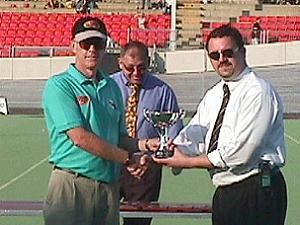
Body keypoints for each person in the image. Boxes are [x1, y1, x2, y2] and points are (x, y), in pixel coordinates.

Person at [153, 25, 287, 225]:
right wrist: (170, 148)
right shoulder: (215, 94)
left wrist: (187, 162)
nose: (221, 59)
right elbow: (196, 133)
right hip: (226, 192)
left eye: (227, 52)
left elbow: (242, 153)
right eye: (214, 55)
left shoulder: (258, 92)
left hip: (257, 191)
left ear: (242, 51)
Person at [42, 16, 159, 225]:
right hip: (72, 186)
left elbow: (120, 136)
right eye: (86, 43)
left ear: (105, 47)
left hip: (107, 187)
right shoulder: (60, 85)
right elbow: (80, 137)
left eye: (98, 43)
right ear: (73, 46)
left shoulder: (111, 87)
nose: (92, 50)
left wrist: (144, 146)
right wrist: (127, 158)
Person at [111, 41, 183, 225]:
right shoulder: (107, 86)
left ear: (149, 62)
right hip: (110, 164)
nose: (136, 73)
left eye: (141, 68)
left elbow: (174, 135)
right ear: (120, 63)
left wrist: (164, 158)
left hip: (145, 168)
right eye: (129, 68)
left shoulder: (162, 91)